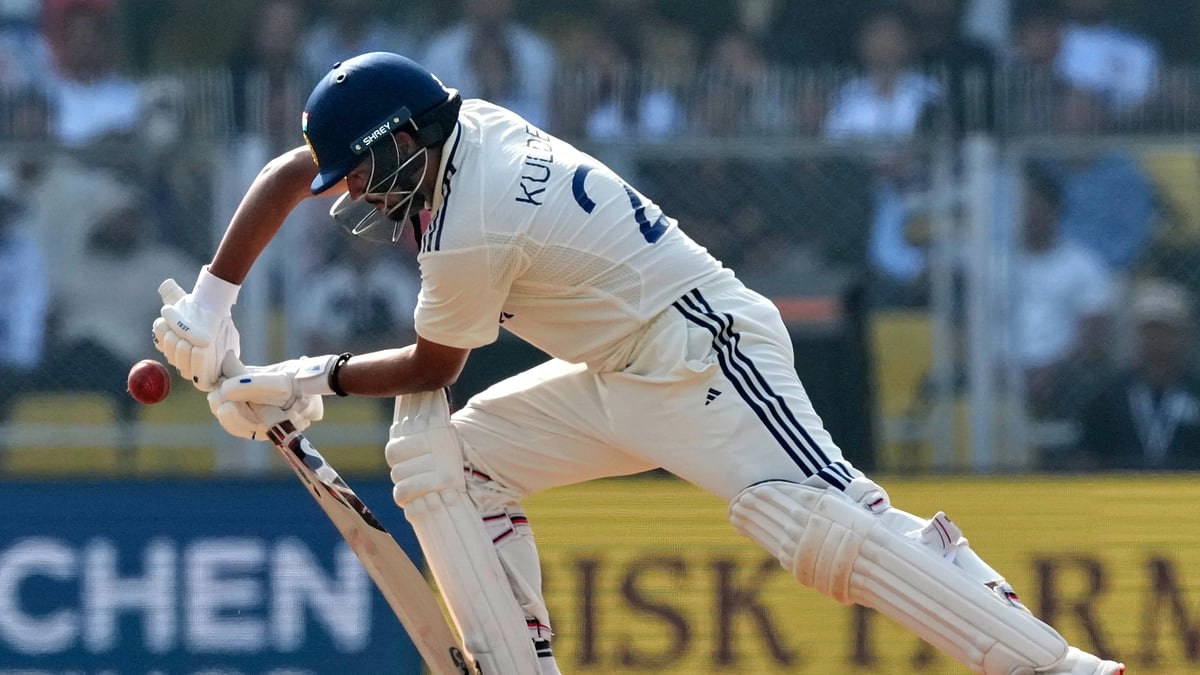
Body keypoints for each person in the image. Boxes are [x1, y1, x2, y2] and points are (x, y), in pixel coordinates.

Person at [151, 52, 1125, 675]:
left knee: (821, 527)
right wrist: (211, 302)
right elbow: (294, 166)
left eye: (364, 172)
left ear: (403, 141)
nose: (358, 194)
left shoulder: (472, 217)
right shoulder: (454, 124)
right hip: (621, 372)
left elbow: (433, 365)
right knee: (454, 460)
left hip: (704, 351)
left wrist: (297, 381)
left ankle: (1060, 668)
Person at [1074, 278, 1200, 470]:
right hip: (1120, 493)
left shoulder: (1195, 391)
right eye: (1150, 329)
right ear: (1135, 334)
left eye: (1166, 329)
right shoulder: (1108, 396)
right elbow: (1087, 454)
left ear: (1184, 334)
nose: (1157, 338)